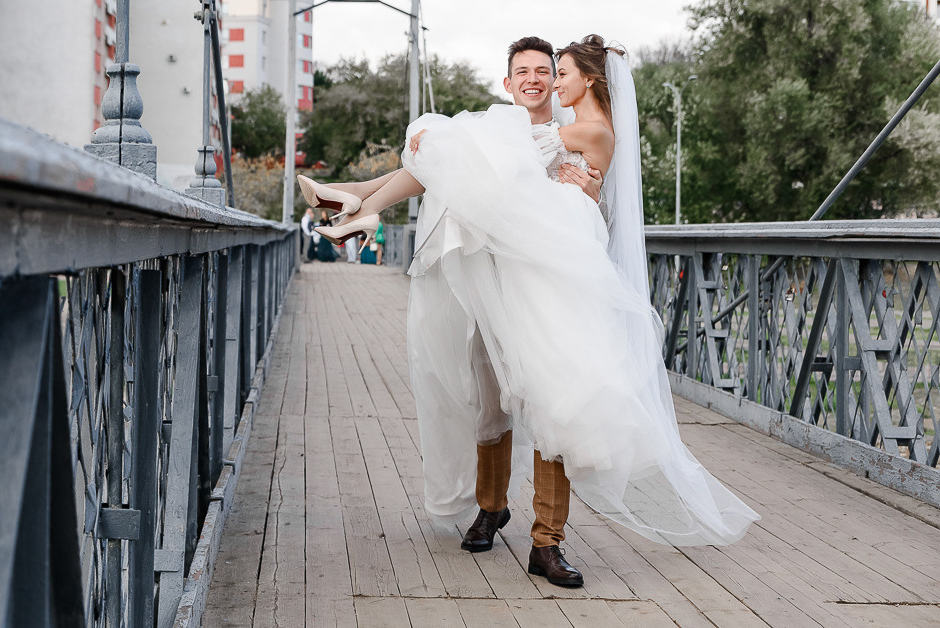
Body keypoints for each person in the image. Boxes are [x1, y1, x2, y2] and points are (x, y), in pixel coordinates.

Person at [306, 35, 758, 575]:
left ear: (579, 80)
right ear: (509, 79)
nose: (547, 79)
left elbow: (534, 166)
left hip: (550, 278)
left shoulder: (574, 129)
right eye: (534, 71)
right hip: (503, 275)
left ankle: (547, 540)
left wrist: (444, 139)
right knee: (490, 397)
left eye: (556, 71)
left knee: (553, 399)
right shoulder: (548, 129)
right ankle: (492, 508)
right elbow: (511, 168)